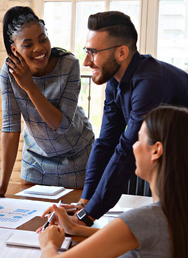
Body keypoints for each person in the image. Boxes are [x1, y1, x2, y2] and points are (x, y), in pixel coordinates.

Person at [67, 11, 188, 225]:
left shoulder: (151, 83)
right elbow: (106, 142)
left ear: (122, 52)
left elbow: (126, 150)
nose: (86, 61)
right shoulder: (115, 81)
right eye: (87, 51)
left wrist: (87, 217)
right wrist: (84, 203)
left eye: (93, 52)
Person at [0, 6, 94, 199]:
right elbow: (11, 127)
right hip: (36, 160)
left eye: (43, 39)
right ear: (14, 49)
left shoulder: (69, 65)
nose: (39, 48)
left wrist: (30, 86)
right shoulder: (9, 72)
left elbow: (60, 125)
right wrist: (2, 185)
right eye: (28, 45)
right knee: (30, 222)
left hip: (76, 157)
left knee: (70, 222)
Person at [38, 105, 188, 258]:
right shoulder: (174, 213)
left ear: (156, 151)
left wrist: (49, 245)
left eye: (139, 139)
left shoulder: (145, 219)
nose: (134, 146)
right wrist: (75, 229)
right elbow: (131, 236)